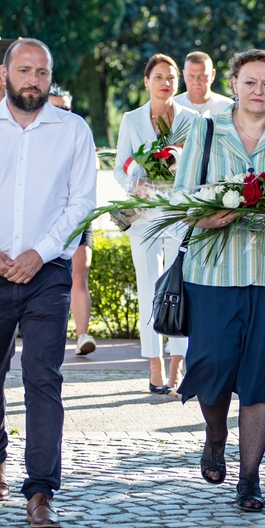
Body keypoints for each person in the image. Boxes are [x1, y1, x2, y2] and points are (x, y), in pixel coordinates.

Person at [0, 38, 97, 528]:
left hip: (47, 274)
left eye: (42, 73)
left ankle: (41, 490)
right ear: (3, 75)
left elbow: (80, 205)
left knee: (43, 378)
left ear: (51, 78)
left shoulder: (73, 131)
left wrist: (39, 253)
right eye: (24, 70)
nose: (33, 80)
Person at [173, 49, 265, 512]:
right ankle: (215, 435)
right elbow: (183, 197)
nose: (259, 92)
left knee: (262, 375)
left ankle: (250, 477)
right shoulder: (205, 129)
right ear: (233, 83)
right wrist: (206, 216)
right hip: (214, 271)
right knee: (210, 366)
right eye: (250, 82)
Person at [115, 54, 196, 394]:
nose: (165, 82)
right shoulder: (131, 120)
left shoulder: (192, 120)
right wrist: (136, 180)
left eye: (171, 77)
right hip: (145, 216)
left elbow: (198, 166)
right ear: (146, 81)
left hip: (179, 215)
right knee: (149, 288)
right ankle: (154, 364)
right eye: (159, 76)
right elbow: (121, 165)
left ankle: (179, 362)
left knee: (180, 287)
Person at [48, 85, 97, 356]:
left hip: (78, 214)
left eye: (66, 108)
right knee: (48, 277)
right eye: (55, 108)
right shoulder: (33, 137)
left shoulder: (80, 133)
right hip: (46, 217)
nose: (62, 113)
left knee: (80, 274)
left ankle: (82, 336)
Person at [173, 51, 234, 117]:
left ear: (213, 74)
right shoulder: (172, 106)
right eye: (191, 76)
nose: (196, 82)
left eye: (202, 76)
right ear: (184, 75)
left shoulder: (228, 107)